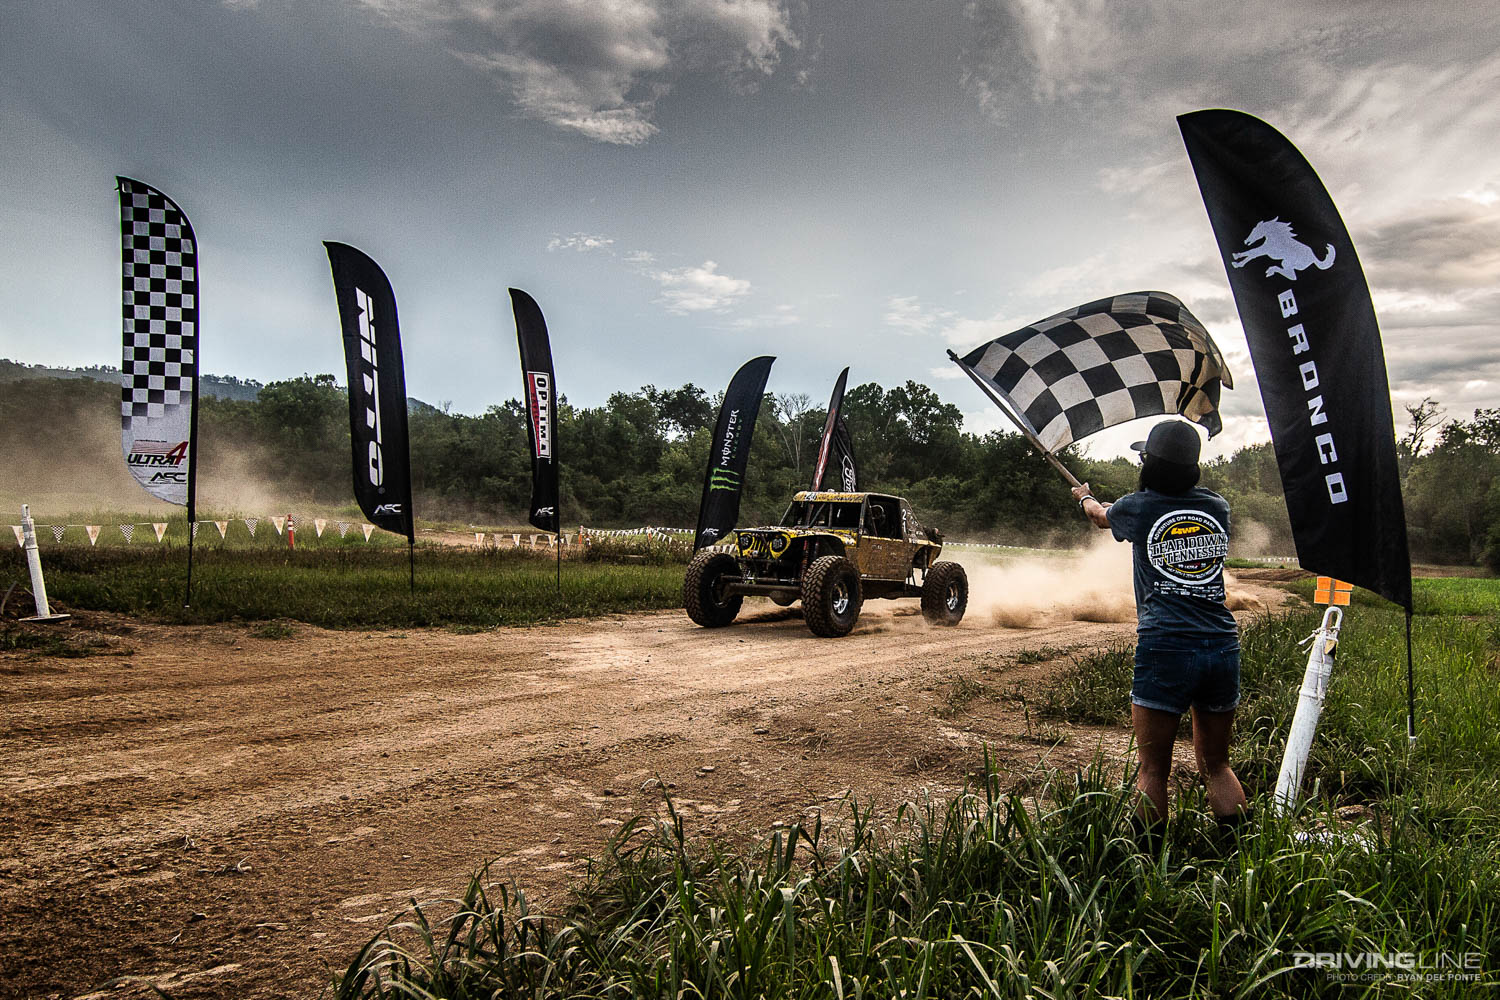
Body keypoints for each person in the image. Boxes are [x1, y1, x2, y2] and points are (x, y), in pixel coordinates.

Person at [1070, 419, 1248, 837]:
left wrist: (1084, 497)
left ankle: (1149, 865)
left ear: (1149, 464)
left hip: (1165, 645)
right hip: (1222, 644)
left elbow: (1099, 517)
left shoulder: (1139, 506)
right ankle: (1240, 857)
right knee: (1217, 765)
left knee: (1153, 770)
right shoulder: (1217, 507)